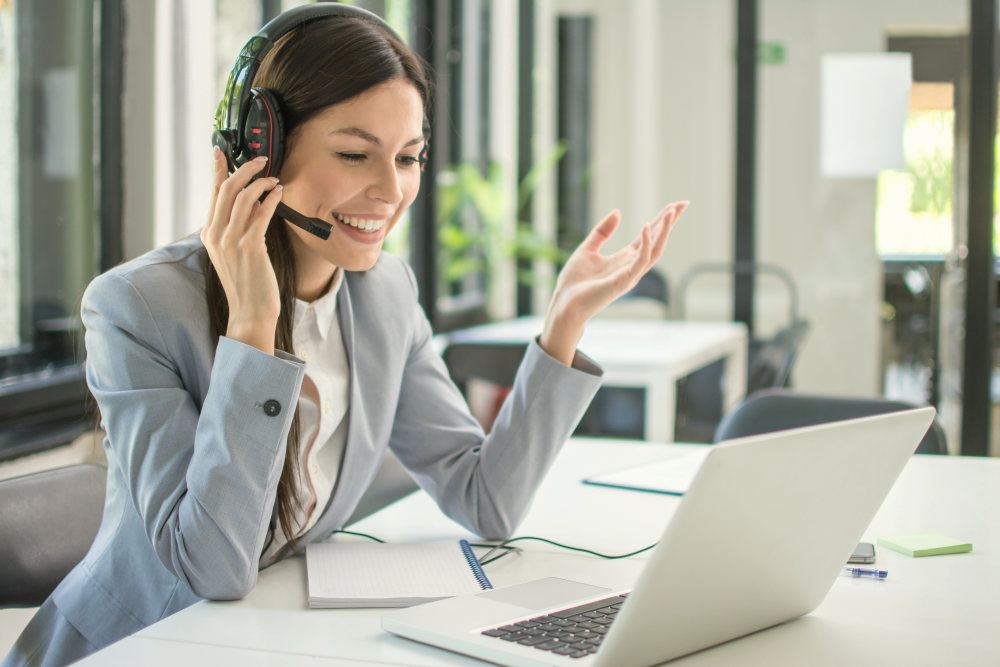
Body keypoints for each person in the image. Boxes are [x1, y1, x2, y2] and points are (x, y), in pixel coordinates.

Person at [2, 6, 686, 666]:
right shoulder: (138, 307)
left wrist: (563, 322)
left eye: (411, 157)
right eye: (357, 154)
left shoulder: (384, 294)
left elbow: (488, 500)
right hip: (139, 645)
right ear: (260, 150)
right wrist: (252, 331)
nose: (391, 190)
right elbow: (212, 568)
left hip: (269, 635)